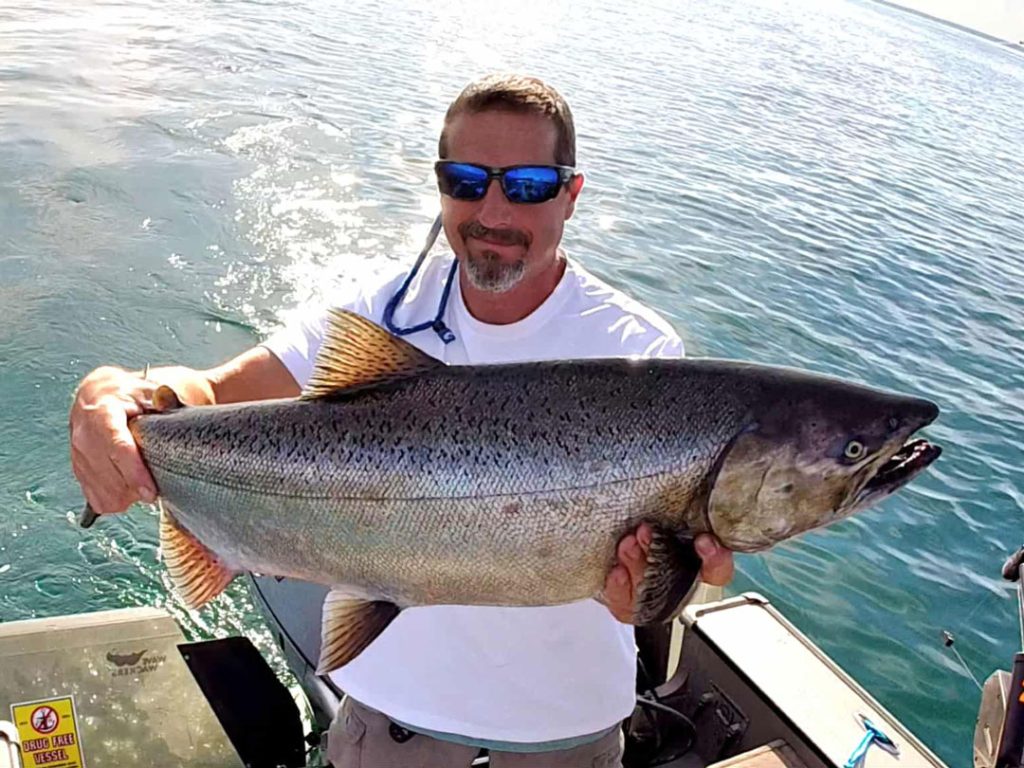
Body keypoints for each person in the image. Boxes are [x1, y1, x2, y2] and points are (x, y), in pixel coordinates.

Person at [69, 73, 734, 767]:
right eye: (467, 180)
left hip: (563, 735)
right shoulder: (380, 311)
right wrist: (116, 394)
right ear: (440, 185)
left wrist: (659, 591)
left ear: (572, 193)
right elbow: (210, 392)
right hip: (390, 723)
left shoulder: (639, 353)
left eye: (530, 184)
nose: (494, 209)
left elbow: (682, 567)